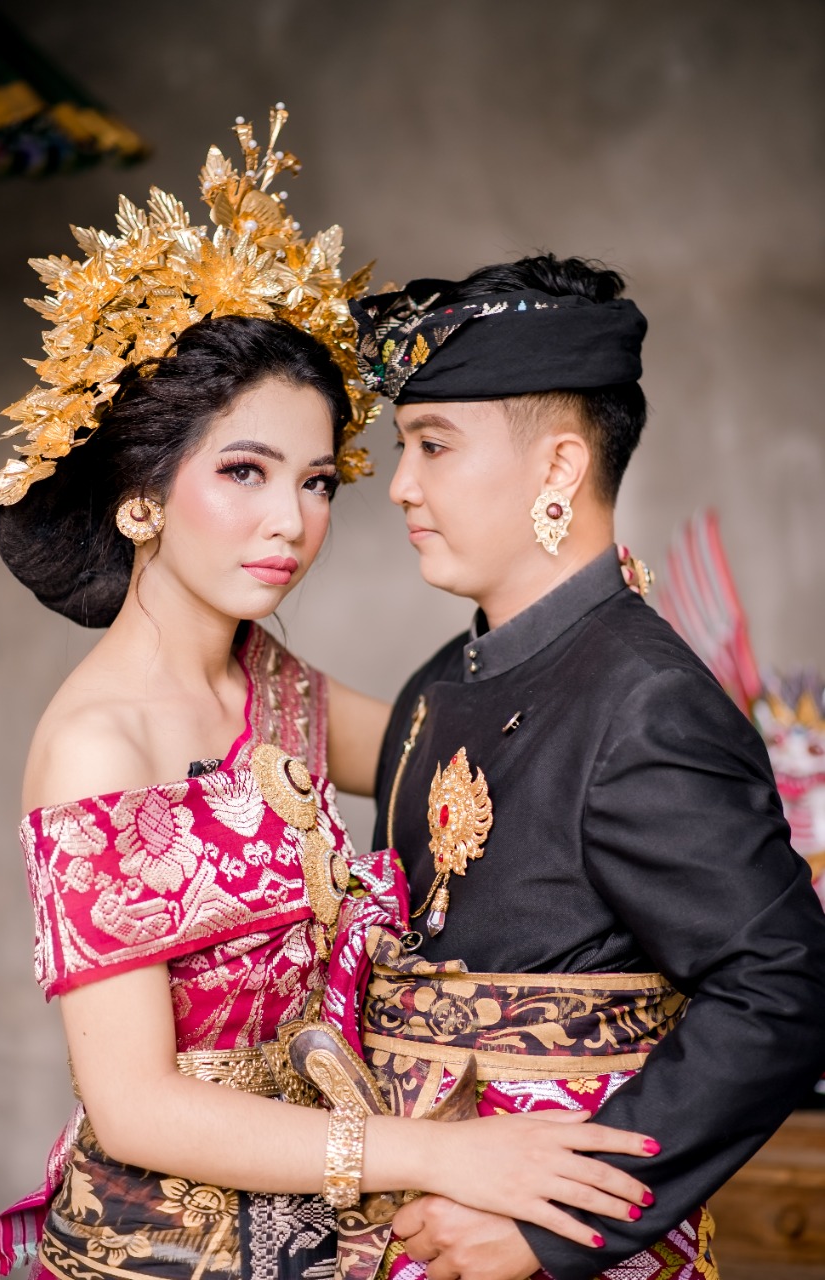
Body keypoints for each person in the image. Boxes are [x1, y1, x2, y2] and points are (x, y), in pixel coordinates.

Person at [0, 122, 660, 1280]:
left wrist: (605, 643)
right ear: (139, 495)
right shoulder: (98, 742)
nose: (291, 521)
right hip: (164, 1244)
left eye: (312, 481)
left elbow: (468, 754)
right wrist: (445, 1154)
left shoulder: (275, 686)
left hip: (329, 1221)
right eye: (242, 472)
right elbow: (137, 1104)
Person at [350, 255, 825, 1280]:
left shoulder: (644, 699)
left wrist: (549, 1226)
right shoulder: (436, 682)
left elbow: (783, 983)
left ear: (559, 467)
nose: (400, 485)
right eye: (401, 447)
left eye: (433, 445)